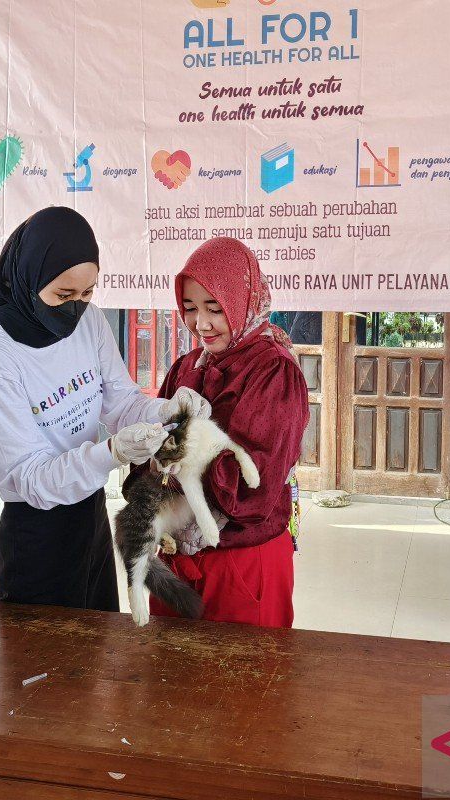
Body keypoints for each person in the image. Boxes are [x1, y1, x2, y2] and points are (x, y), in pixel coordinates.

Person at [0, 206, 210, 610]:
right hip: (36, 534)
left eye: (87, 293)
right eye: (63, 295)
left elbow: (120, 401)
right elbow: (31, 480)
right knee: (45, 666)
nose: (76, 307)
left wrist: (164, 411)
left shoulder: (89, 322)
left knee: (97, 655)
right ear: (29, 277)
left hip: (90, 514)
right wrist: (109, 454)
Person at [133, 237, 309, 627]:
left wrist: (175, 467)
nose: (201, 324)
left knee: (245, 680)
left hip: (241, 562)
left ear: (242, 301)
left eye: (216, 309)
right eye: (191, 309)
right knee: (172, 674)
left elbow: (254, 490)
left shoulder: (272, 371)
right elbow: (150, 449)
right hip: (175, 556)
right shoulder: (188, 366)